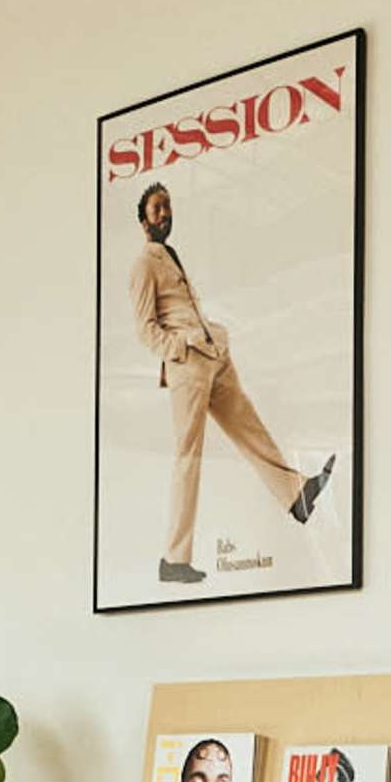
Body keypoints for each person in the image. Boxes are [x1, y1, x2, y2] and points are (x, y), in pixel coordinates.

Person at [128, 180, 335, 587]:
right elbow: (145, 328)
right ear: (142, 219)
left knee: (249, 426)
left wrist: (213, 339)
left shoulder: (171, 255)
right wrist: (181, 349)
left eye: (168, 206)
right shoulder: (144, 264)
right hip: (188, 363)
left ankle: (296, 496)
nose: (165, 214)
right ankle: (175, 558)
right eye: (156, 208)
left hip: (214, 355)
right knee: (188, 457)